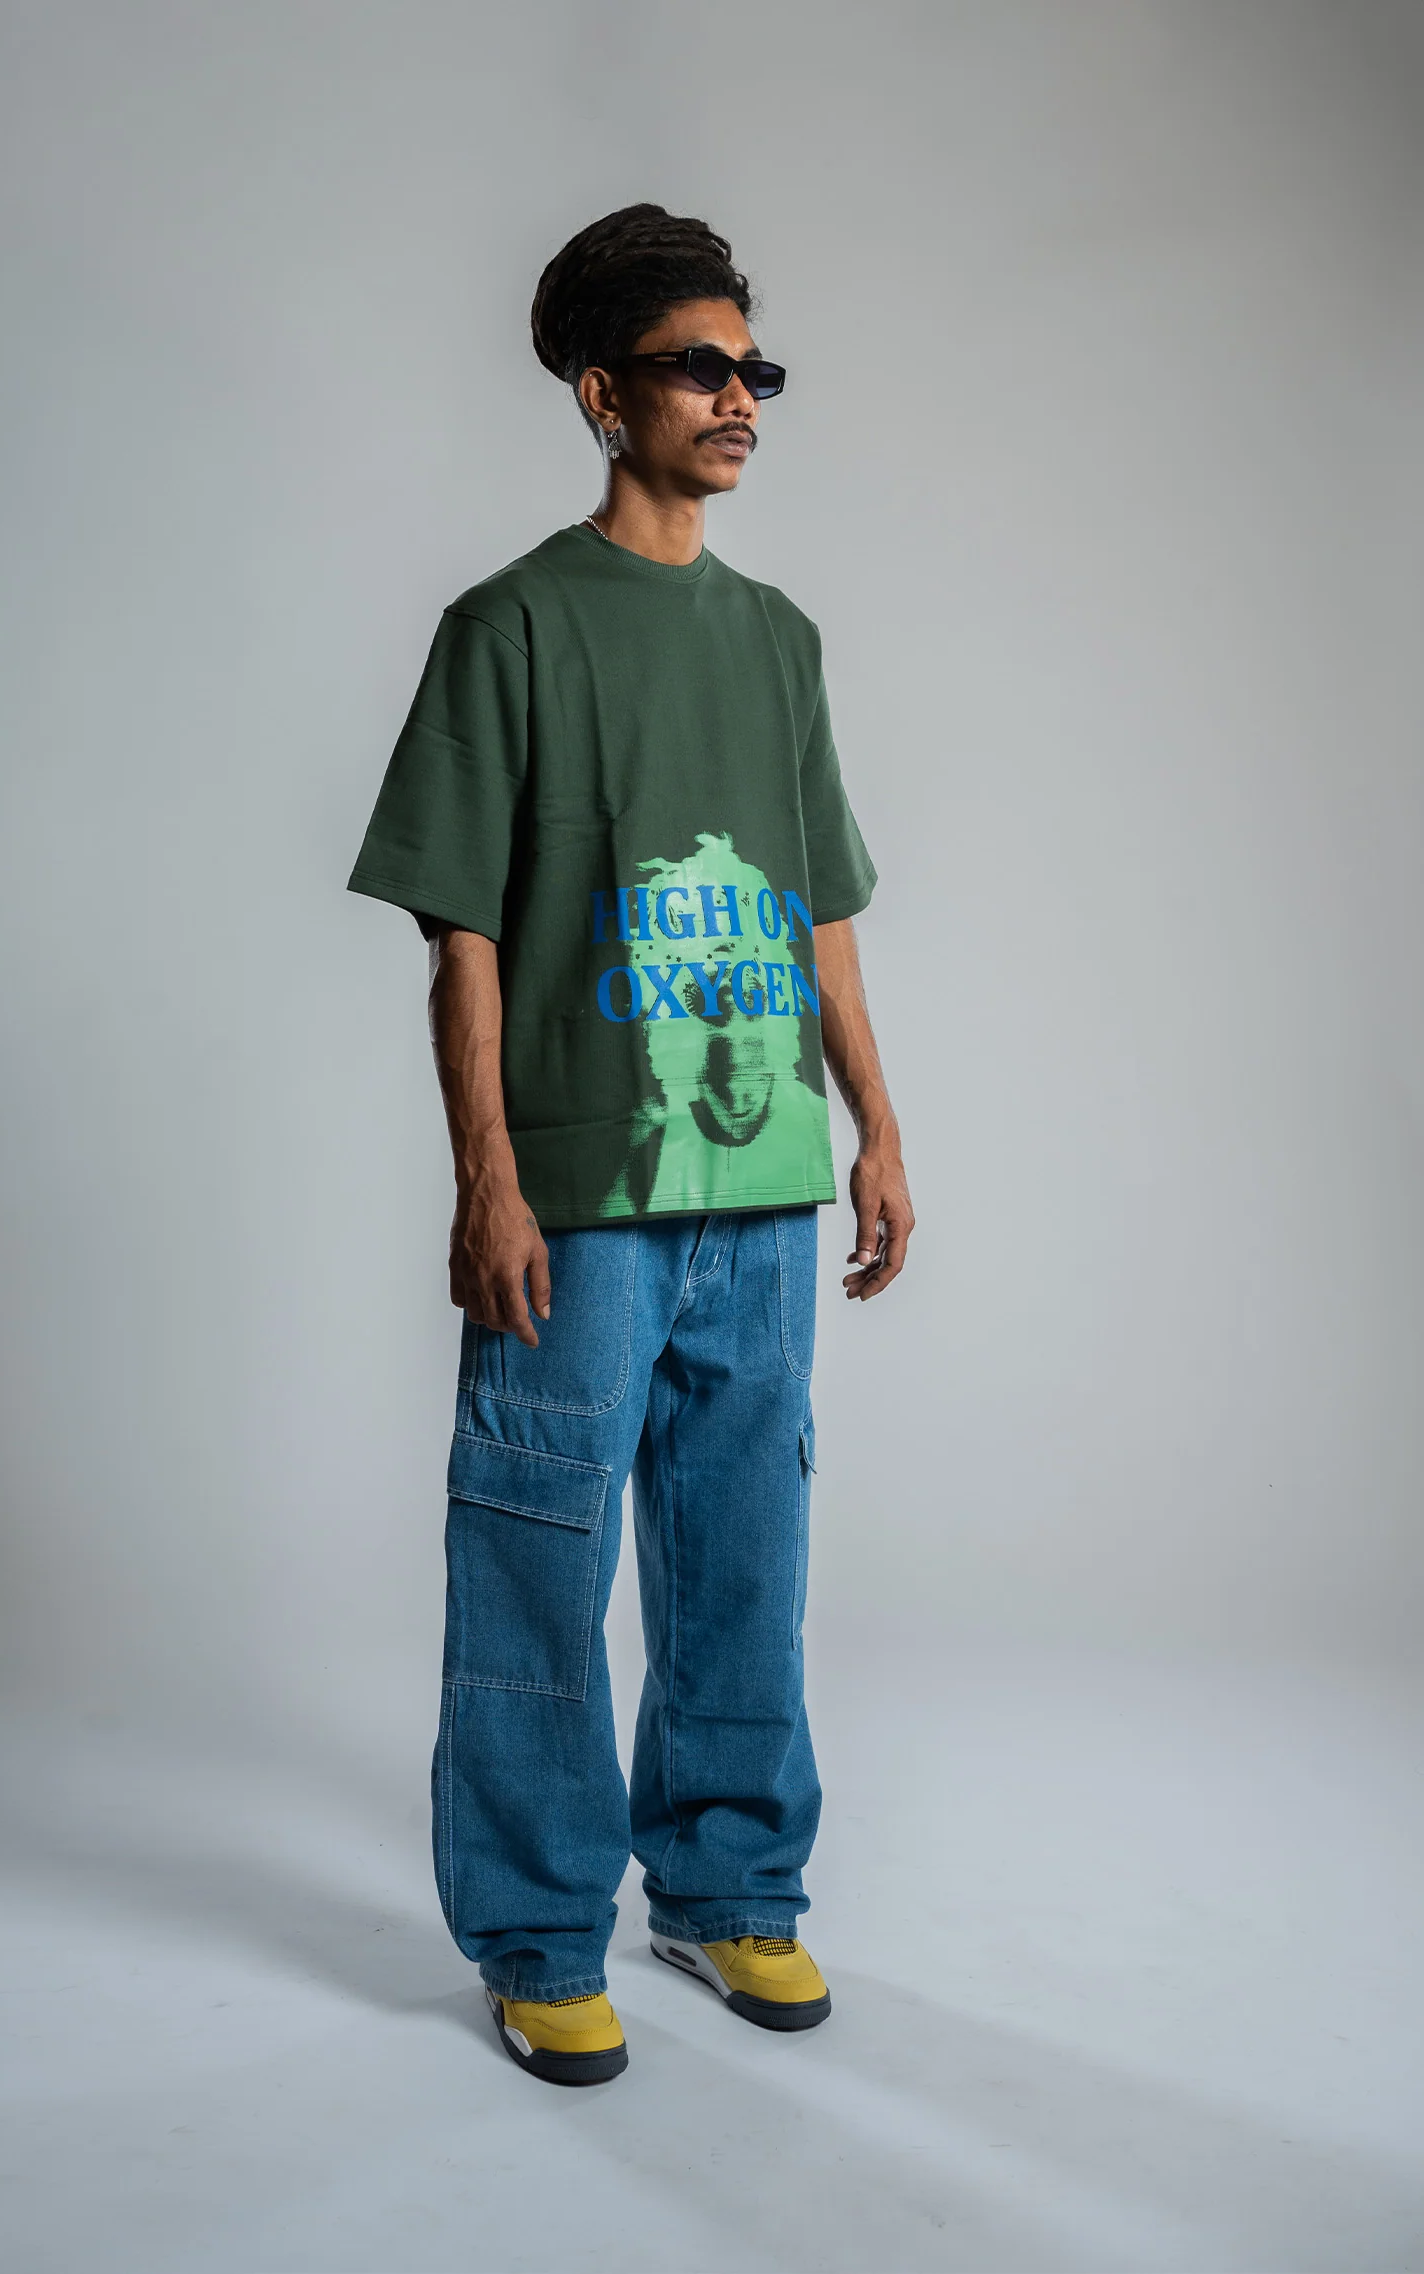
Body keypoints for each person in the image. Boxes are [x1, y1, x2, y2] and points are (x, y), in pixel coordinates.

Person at [348, 203, 913, 2086]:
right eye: (699, 367)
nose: (740, 398)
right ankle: (533, 1928)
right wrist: (488, 1176)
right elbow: (462, 932)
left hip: (762, 1188)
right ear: (605, 396)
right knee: (536, 1544)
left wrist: (878, 1125)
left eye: (757, 369)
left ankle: (731, 1883)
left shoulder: (779, 639)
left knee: (746, 1546)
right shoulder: (508, 628)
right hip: (584, 1191)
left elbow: (823, 909)